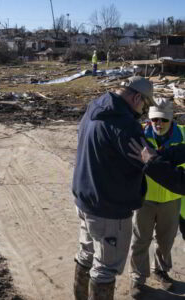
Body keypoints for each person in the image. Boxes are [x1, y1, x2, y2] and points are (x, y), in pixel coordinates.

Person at [72, 76, 155, 300]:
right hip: (109, 208)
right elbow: (149, 162)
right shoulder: (125, 124)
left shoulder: (94, 107)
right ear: (137, 97)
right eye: (144, 105)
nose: (143, 112)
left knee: (86, 253)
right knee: (105, 268)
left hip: (85, 198)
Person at [129, 99, 185, 298]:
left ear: (172, 120)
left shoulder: (184, 137)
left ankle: (161, 271)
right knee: (140, 240)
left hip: (171, 199)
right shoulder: (140, 136)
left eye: (163, 120)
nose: (158, 124)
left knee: (166, 241)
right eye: (154, 120)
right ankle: (137, 278)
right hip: (144, 199)